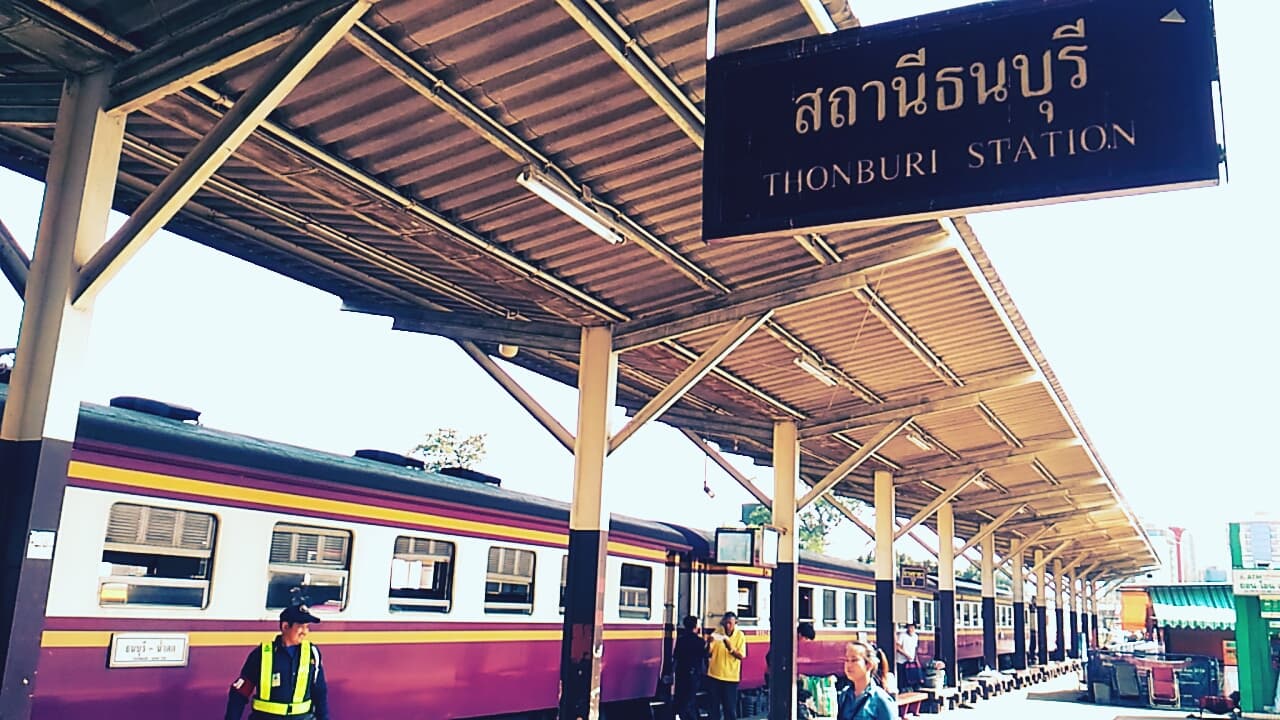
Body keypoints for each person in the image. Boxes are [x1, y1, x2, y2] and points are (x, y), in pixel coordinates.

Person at [225, 604, 331, 720]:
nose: (305, 632)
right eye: (301, 626)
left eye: (307, 627)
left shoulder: (312, 654)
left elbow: (320, 692)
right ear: (285, 626)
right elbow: (240, 693)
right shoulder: (261, 654)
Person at [838, 641, 897, 720]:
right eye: (846, 660)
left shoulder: (881, 699)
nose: (848, 665)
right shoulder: (844, 695)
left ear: (869, 665)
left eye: (854, 660)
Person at [705, 611, 747, 720]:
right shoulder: (717, 633)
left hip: (730, 678)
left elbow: (741, 656)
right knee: (713, 708)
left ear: (735, 623)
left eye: (730, 623)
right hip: (714, 675)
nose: (728, 626)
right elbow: (708, 653)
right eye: (726, 623)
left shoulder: (740, 636)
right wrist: (709, 643)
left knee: (729, 709)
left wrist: (730, 648)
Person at [672, 615, 709, 720]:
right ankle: (686, 716)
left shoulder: (680, 640)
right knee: (690, 698)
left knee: (681, 696)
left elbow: (676, 657)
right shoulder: (700, 641)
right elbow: (704, 656)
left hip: (681, 672)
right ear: (696, 627)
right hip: (694, 673)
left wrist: (671, 672)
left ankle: (681, 715)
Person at [895, 623, 920, 690]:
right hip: (901, 660)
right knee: (901, 677)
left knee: (910, 676)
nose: (911, 629)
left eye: (912, 628)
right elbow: (898, 648)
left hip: (911, 660)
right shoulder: (902, 635)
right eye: (910, 627)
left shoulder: (915, 636)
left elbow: (915, 648)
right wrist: (906, 655)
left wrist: (915, 659)